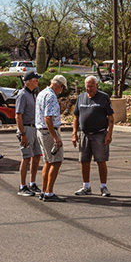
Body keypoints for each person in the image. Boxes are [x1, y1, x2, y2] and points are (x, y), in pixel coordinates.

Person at [72, 75, 114, 197]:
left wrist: (109, 134)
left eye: (91, 86)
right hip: (84, 135)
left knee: (101, 160)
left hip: (99, 134)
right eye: (87, 86)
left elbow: (111, 118)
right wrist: (74, 133)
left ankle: (103, 187)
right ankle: (86, 186)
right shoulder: (81, 98)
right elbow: (76, 117)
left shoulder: (103, 98)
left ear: (96, 85)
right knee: (84, 161)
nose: (89, 89)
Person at [35, 74, 68, 202]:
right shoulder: (51, 96)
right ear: (59, 85)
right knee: (56, 160)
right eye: (62, 88)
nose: (61, 90)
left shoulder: (42, 93)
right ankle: (49, 192)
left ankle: (44, 190)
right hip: (49, 132)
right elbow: (48, 118)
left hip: (41, 131)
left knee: (48, 162)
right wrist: (56, 137)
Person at [15, 71, 43, 197]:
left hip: (35, 127)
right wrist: (22, 133)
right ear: (30, 81)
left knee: (37, 155)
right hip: (26, 128)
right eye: (36, 80)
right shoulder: (22, 95)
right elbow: (18, 116)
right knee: (26, 157)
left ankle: (32, 183)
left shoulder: (34, 94)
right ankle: (22, 186)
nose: (37, 82)